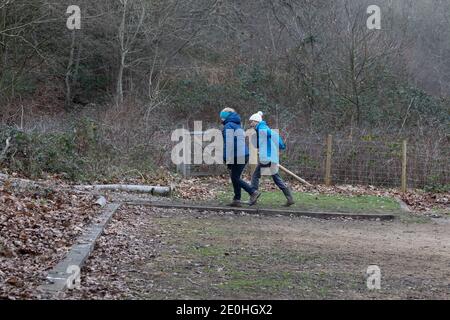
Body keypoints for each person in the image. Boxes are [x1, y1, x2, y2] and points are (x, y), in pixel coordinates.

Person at [248, 111, 295, 207]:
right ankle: (289, 198)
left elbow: (274, 135)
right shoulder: (260, 129)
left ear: (256, 121)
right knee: (276, 178)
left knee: (255, 176)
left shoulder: (262, 129)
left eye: (252, 121)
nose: (250, 124)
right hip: (271, 157)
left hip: (267, 157)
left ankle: (253, 196)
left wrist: (281, 145)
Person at [220, 108, 261, 207]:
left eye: (221, 116)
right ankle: (237, 199)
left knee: (235, 177)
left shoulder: (228, 126)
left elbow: (229, 144)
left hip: (237, 155)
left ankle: (252, 192)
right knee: (235, 177)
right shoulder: (237, 125)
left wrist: (226, 158)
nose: (220, 119)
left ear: (224, 117)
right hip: (242, 154)